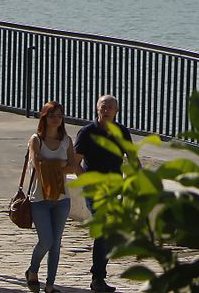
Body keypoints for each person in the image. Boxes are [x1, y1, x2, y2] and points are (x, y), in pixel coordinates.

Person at [75, 94, 139, 293]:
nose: (106, 110)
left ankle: (99, 273)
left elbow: (133, 159)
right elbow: (75, 162)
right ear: (97, 109)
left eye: (110, 107)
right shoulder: (87, 132)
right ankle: (98, 277)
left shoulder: (122, 132)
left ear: (116, 111)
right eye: (103, 106)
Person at [24, 100, 82, 293]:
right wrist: (58, 166)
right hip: (40, 198)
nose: (56, 119)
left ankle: (50, 284)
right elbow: (37, 164)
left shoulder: (66, 140)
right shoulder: (36, 140)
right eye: (52, 115)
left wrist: (52, 166)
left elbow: (73, 166)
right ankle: (32, 270)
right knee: (46, 240)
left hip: (62, 198)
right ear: (44, 117)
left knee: (56, 243)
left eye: (59, 115)